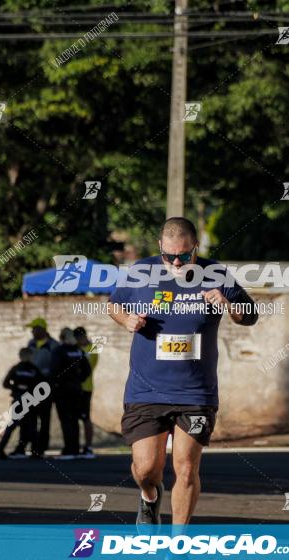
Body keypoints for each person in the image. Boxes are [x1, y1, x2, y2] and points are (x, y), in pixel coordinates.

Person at [107, 217, 258, 529]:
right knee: (146, 469)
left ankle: (178, 541)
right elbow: (114, 305)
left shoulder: (216, 273)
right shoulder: (140, 272)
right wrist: (127, 322)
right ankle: (150, 497)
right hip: (146, 389)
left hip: (195, 392)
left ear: (196, 249)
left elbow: (250, 316)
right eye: (169, 256)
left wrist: (228, 303)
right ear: (160, 248)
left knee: (186, 468)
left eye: (184, 256)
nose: (176, 262)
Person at [17, 317, 60, 459]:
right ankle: (29, 446)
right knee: (30, 418)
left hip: (46, 388)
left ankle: (41, 448)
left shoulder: (54, 346)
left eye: (34, 328)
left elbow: (57, 367)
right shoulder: (31, 344)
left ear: (42, 329)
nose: (32, 331)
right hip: (30, 388)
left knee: (45, 419)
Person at [50, 328, 91, 460]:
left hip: (63, 390)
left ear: (61, 337)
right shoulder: (78, 351)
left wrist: (56, 384)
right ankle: (75, 449)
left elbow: (54, 370)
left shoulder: (59, 351)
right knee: (74, 420)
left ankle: (69, 450)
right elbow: (87, 369)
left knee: (66, 420)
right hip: (77, 389)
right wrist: (79, 380)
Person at [0, 348, 45, 459]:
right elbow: (41, 385)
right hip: (29, 401)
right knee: (32, 426)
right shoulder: (34, 369)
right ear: (31, 356)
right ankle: (35, 451)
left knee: (13, 425)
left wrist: (16, 388)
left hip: (18, 400)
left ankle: (2, 446)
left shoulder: (16, 368)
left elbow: (5, 383)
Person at [74, 326, 99, 459]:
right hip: (73, 388)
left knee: (85, 418)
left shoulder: (93, 348)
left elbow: (91, 366)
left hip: (86, 387)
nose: (78, 340)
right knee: (73, 418)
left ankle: (88, 446)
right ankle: (74, 445)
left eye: (80, 337)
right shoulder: (74, 349)